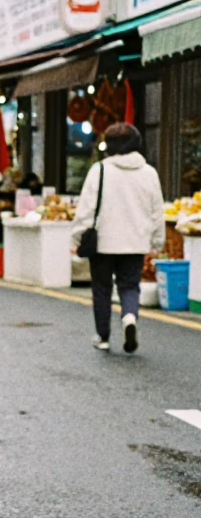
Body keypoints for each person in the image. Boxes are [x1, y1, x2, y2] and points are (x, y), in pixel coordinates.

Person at [70, 122, 165, 354]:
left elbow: (86, 210)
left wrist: (76, 238)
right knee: (130, 286)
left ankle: (103, 337)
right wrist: (157, 241)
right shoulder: (149, 173)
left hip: (103, 242)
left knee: (102, 288)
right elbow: (157, 211)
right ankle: (129, 317)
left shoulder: (100, 170)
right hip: (135, 242)